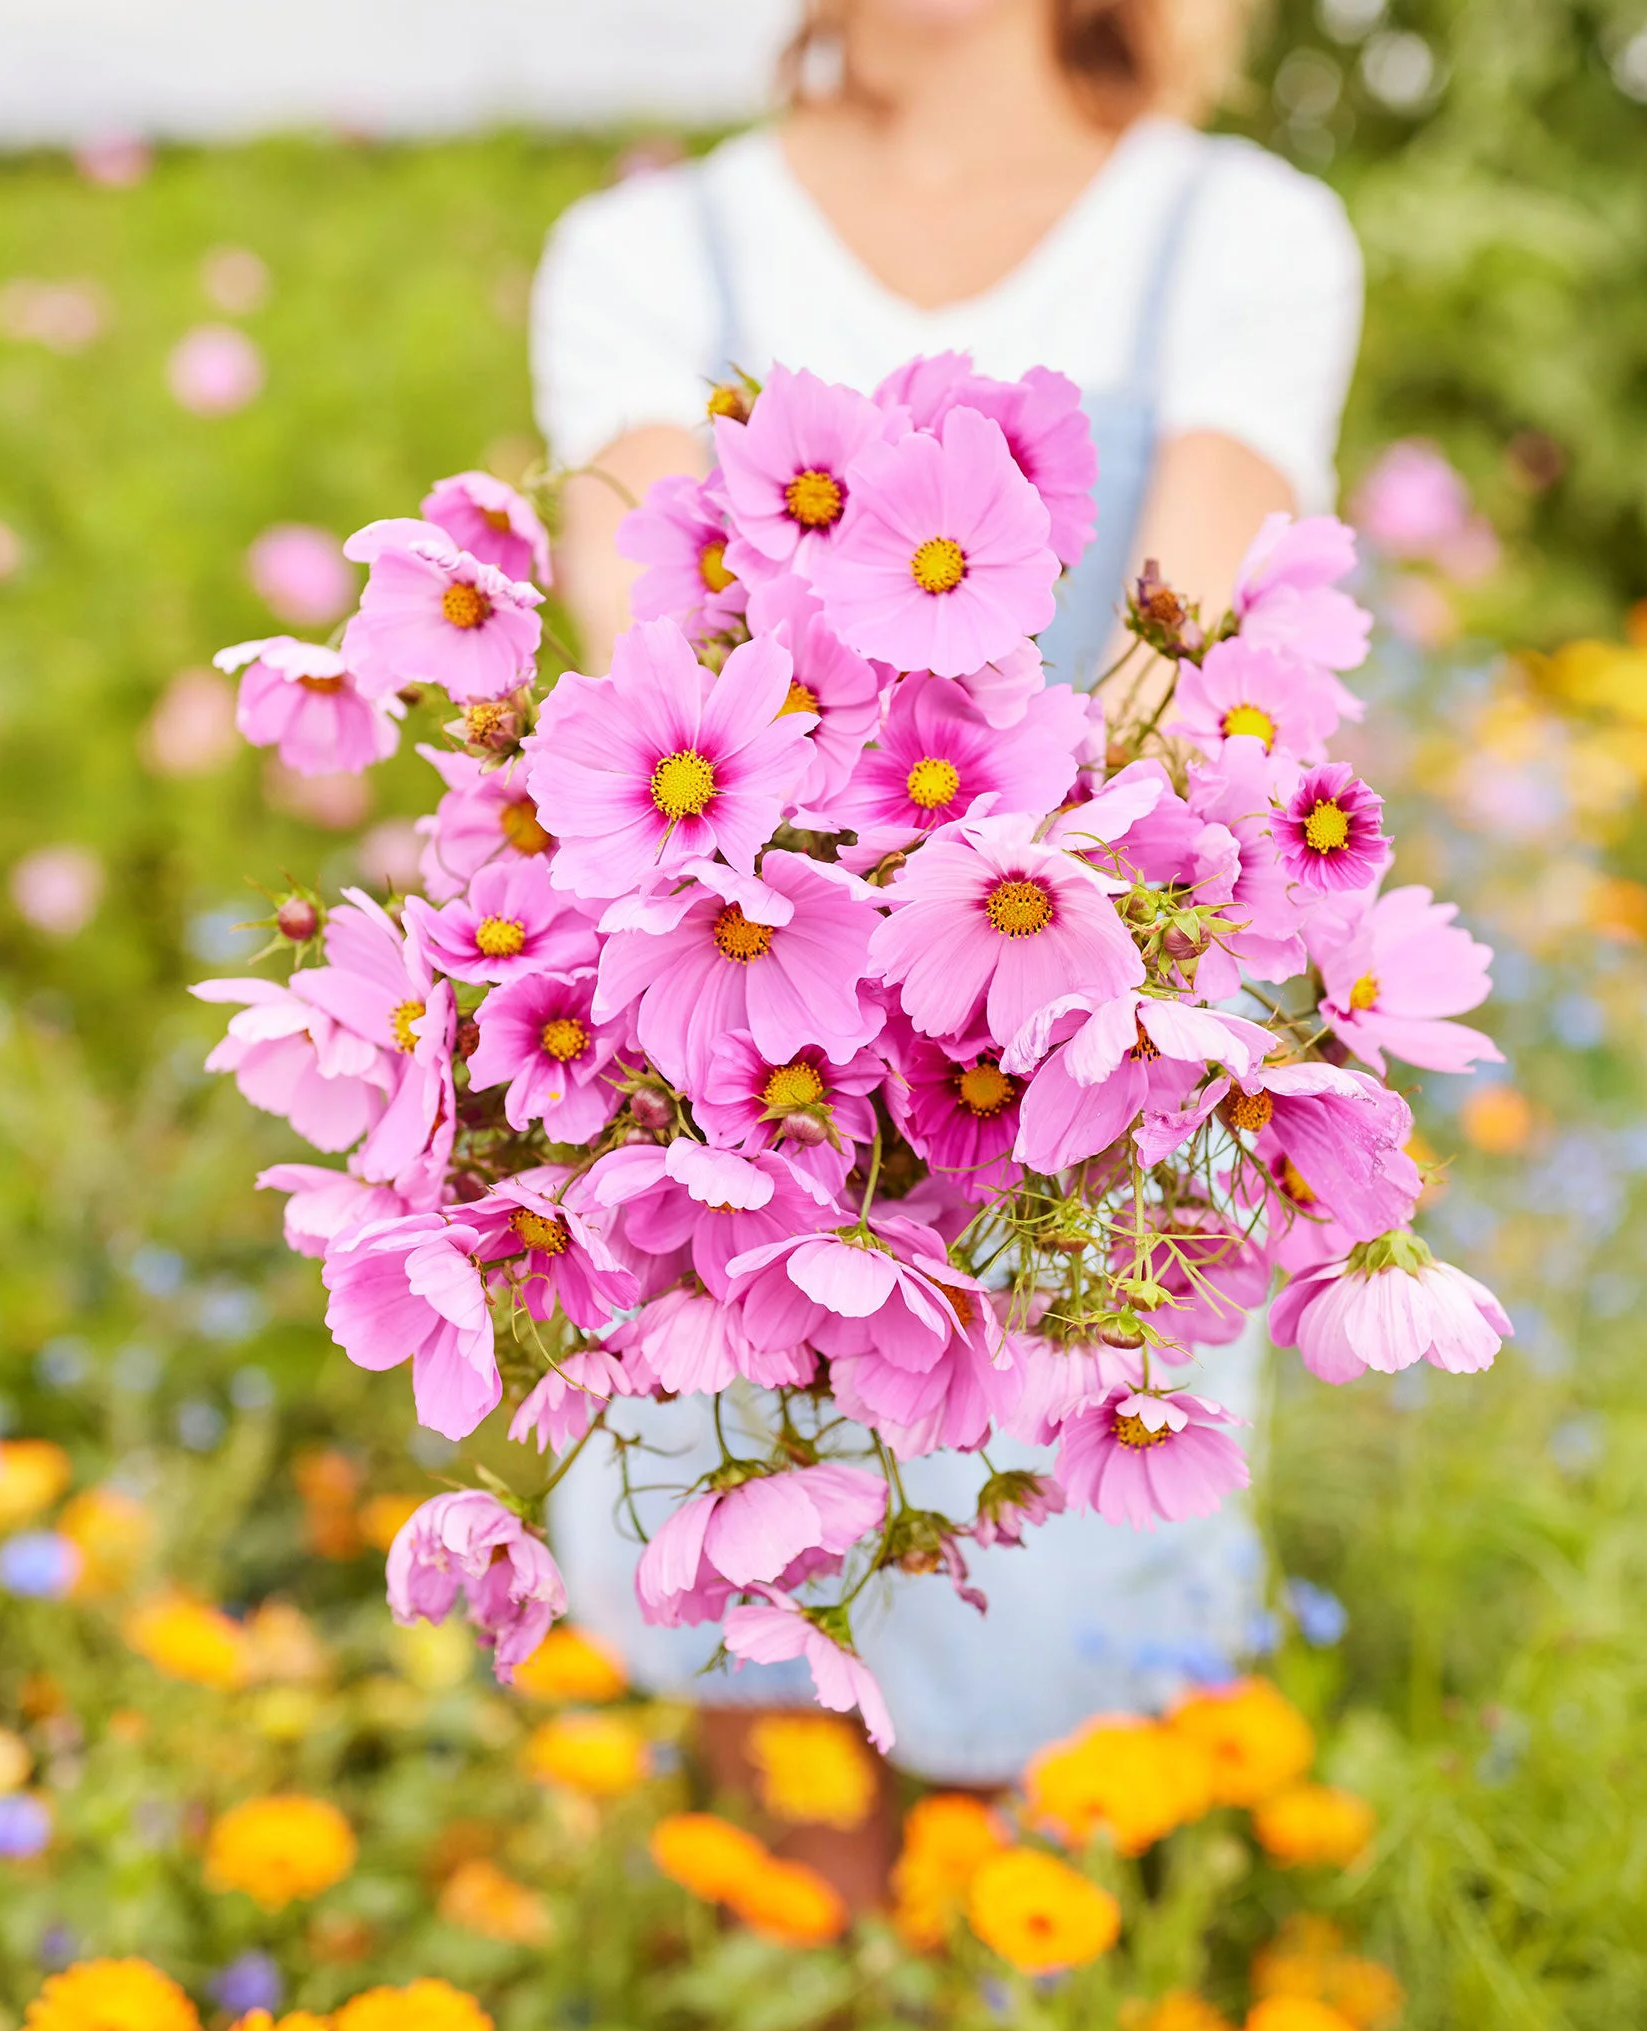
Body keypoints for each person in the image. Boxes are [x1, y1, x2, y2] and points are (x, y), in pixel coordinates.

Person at [528, 0, 1364, 1796]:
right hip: (749, 1098)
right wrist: (857, 922)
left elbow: (1185, 645)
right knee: (760, 1693)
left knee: (1065, 1720)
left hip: (1083, 1080)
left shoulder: (1236, 229)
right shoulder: (653, 246)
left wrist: (977, 907)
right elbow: (652, 634)